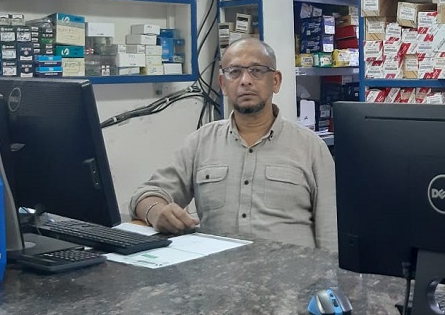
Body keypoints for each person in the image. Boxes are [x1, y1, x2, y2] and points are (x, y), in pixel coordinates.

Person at [129, 38, 337, 251]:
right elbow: (146, 194)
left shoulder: (311, 147)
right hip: (217, 269)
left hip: (294, 271)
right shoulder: (201, 143)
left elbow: (332, 234)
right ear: (223, 84)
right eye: (234, 72)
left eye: (256, 71)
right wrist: (156, 212)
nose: (245, 81)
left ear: (275, 81)